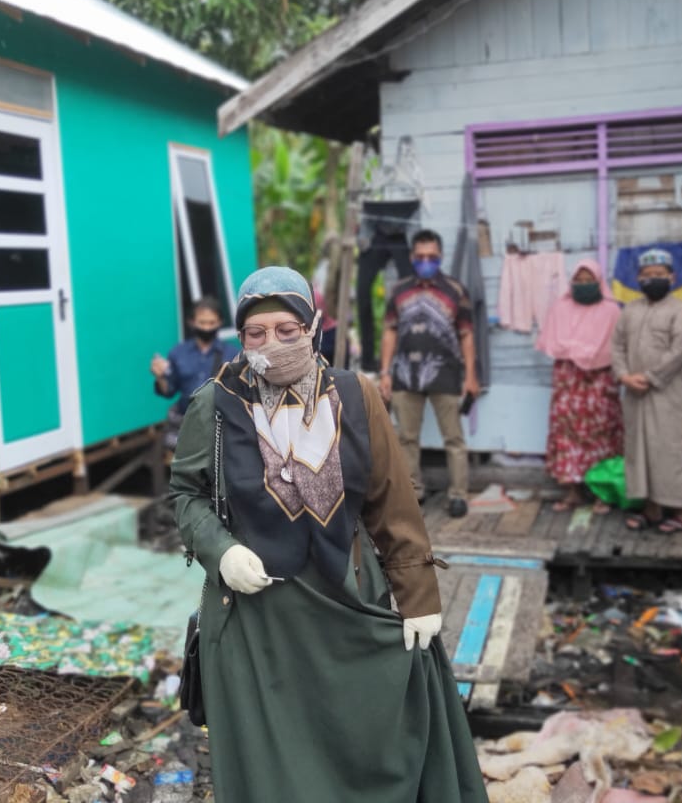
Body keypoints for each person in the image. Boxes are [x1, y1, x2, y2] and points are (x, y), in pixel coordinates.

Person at [169, 267, 488, 803]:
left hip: (346, 601)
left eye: (287, 329)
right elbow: (186, 494)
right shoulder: (216, 404)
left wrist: (418, 595)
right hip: (256, 621)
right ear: (241, 337)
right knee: (273, 768)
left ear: (313, 326)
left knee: (372, 743)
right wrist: (221, 552)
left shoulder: (355, 396)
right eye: (256, 332)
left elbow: (392, 500)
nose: (272, 343)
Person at [379, 229, 481, 519]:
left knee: (454, 438)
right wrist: (385, 372)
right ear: (412, 258)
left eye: (432, 257)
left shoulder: (455, 291)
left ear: (441, 257)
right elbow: (389, 331)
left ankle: (459, 495)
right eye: (421, 257)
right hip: (404, 375)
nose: (426, 261)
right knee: (406, 438)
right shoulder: (398, 290)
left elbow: (467, 335)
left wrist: (471, 376)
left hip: (445, 373)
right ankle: (414, 493)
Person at [611, 248, 682, 534]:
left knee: (671, 450)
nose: (653, 280)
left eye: (659, 275)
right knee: (640, 450)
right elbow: (617, 346)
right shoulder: (630, 310)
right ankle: (651, 509)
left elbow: (679, 351)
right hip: (634, 395)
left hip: (667, 395)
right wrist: (624, 376)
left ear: (672, 277)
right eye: (647, 275)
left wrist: (649, 377)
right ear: (638, 278)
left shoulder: (681, 311)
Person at [536, 259, 624, 514]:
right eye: (579, 281)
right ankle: (572, 492)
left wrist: (586, 353)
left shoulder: (612, 311)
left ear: (599, 282)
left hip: (599, 382)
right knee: (567, 435)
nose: (584, 285)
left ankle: (603, 493)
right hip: (569, 382)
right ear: (572, 282)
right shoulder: (560, 308)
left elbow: (616, 347)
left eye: (590, 281)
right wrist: (578, 352)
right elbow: (554, 342)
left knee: (602, 436)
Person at [150, 298, 239, 447]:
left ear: (220, 323)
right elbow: (168, 391)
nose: (206, 328)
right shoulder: (178, 353)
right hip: (185, 426)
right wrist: (160, 377)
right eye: (202, 323)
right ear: (192, 322)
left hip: (219, 428)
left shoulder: (232, 355)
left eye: (211, 323)